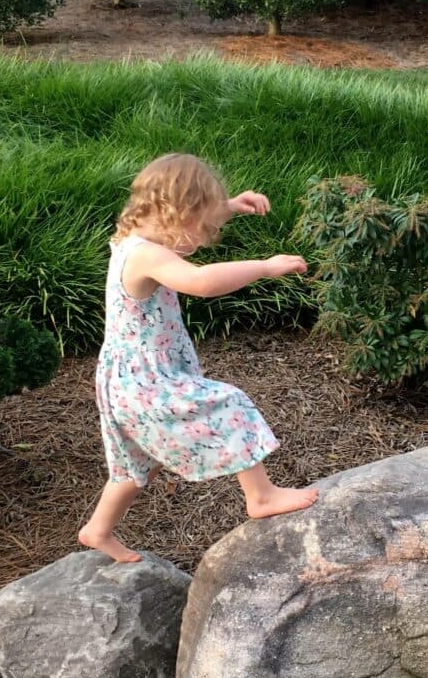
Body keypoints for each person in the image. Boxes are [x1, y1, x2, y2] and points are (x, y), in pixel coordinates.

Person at [79, 152, 318, 562]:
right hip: (146, 381)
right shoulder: (146, 256)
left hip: (126, 379)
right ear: (177, 212)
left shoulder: (136, 233)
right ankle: (260, 497)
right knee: (229, 403)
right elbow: (201, 282)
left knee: (137, 463)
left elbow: (182, 225)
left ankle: (97, 530)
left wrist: (230, 206)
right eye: (203, 226)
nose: (204, 238)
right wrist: (265, 266)